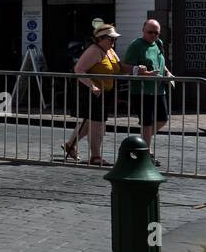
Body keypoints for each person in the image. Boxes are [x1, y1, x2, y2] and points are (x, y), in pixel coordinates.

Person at [64, 23, 147, 166]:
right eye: (111, 39)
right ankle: (95, 156)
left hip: (104, 92)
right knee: (97, 125)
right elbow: (78, 70)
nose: (113, 42)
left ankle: (70, 145)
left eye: (114, 39)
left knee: (89, 122)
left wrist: (137, 70)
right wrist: (92, 86)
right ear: (100, 39)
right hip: (93, 92)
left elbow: (120, 67)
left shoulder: (109, 51)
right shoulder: (94, 51)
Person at [123, 18, 172, 163]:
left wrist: (168, 73)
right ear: (143, 31)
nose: (153, 35)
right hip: (142, 91)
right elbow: (124, 67)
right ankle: (146, 154)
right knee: (147, 122)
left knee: (163, 119)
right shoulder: (136, 45)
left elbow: (161, 64)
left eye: (156, 33)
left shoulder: (159, 43)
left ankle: (140, 144)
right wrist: (141, 71)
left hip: (158, 90)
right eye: (150, 32)